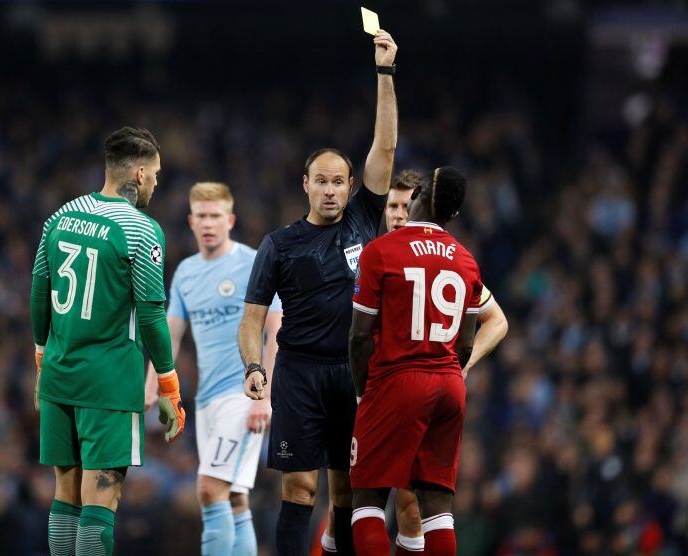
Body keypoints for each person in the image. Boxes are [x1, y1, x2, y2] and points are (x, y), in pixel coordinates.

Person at [238, 29, 399, 556]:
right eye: (321, 181)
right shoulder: (280, 245)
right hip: (300, 374)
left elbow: (386, 146)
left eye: (339, 181)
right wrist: (254, 367)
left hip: (355, 373)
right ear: (304, 183)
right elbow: (253, 317)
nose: (331, 190)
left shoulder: (363, 219)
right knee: (300, 488)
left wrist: (385, 72)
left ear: (352, 187)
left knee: (347, 490)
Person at [317, 169, 508, 554]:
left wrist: (362, 392)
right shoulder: (466, 260)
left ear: (418, 197)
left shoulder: (382, 252)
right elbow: (467, 341)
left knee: (368, 495)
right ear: (452, 215)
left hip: (396, 382)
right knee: (437, 507)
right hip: (449, 385)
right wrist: (456, 369)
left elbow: (358, 336)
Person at [30, 127, 186, 556]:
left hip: (61, 373)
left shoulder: (59, 217)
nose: (156, 181)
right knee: (102, 496)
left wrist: (41, 361)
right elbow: (152, 315)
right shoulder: (140, 230)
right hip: (110, 382)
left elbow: (39, 292)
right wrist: (169, 387)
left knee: (66, 493)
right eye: (155, 173)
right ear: (138, 173)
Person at [144, 182, 282, 556]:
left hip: (242, 397)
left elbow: (275, 330)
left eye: (215, 216)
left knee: (208, 488)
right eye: (201, 216)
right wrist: (152, 384)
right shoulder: (186, 272)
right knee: (234, 498)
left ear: (230, 220)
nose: (208, 224)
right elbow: (171, 334)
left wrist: (263, 398)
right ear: (191, 221)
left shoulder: (252, 263)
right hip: (206, 402)